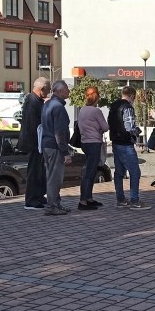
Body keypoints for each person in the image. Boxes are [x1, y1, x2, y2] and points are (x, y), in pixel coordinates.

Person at [107, 86, 150, 210]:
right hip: (125, 143)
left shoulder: (113, 106)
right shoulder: (127, 107)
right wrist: (137, 131)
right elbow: (130, 127)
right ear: (131, 96)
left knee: (119, 172)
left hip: (115, 142)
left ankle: (120, 199)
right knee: (135, 172)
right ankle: (135, 200)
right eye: (134, 98)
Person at [41, 80, 73, 216]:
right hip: (55, 147)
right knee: (55, 178)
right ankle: (52, 206)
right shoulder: (58, 107)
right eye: (66, 89)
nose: (69, 92)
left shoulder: (47, 104)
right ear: (60, 91)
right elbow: (59, 132)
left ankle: (56, 203)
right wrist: (65, 152)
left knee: (51, 176)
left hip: (46, 145)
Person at [18, 77, 51, 210]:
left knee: (39, 171)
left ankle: (38, 196)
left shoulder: (33, 100)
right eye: (48, 89)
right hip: (34, 142)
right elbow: (34, 126)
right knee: (34, 171)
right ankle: (31, 200)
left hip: (35, 142)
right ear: (42, 89)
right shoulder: (33, 102)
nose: (49, 92)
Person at [77, 86, 108, 210]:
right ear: (96, 98)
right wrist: (99, 128)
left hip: (85, 142)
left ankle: (88, 198)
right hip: (94, 142)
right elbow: (105, 127)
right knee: (90, 172)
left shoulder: (82, 110)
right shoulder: (96, 111)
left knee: (90, 171)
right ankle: (83, 201)